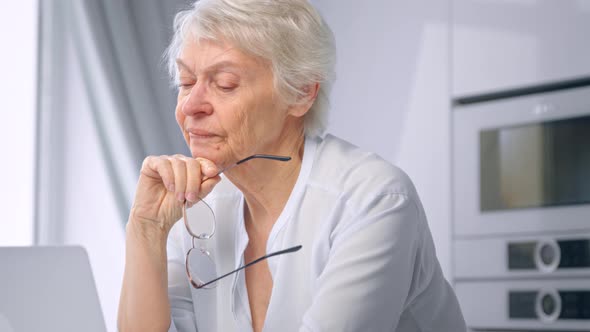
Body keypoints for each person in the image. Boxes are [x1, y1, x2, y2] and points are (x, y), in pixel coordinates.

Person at [117, 0, 467, 331]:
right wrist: (146, 228)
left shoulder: (374, 200)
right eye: (186, 82)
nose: (191, 105)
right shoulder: (197, 205)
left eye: (225, 84)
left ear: (300, 93)